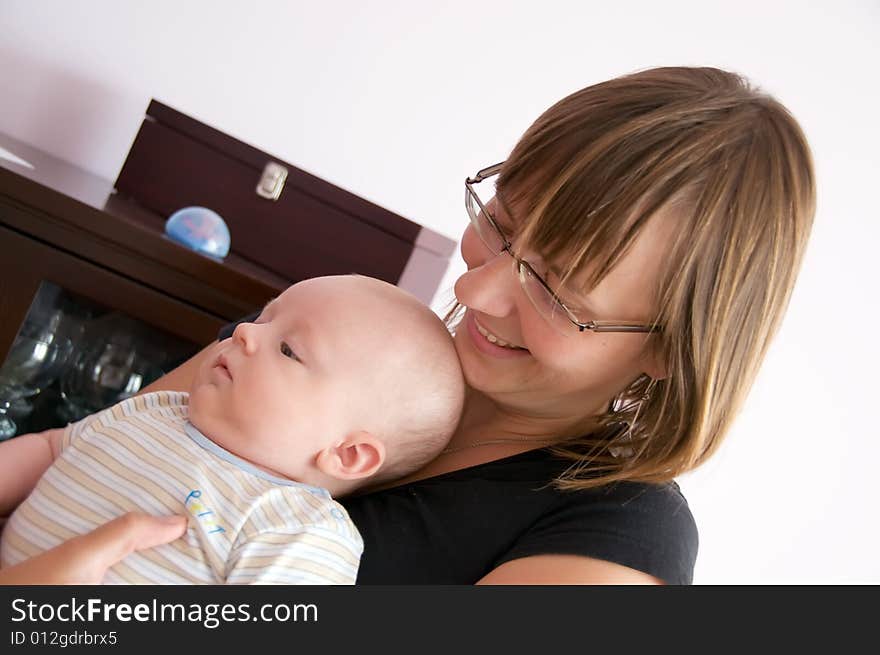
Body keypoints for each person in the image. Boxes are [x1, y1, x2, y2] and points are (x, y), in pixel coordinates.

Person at [1, 65, 815, 585]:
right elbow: (85, 462)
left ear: (672, 351)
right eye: (499, 223)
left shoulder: (615, 538)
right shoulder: (344, 340)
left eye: (558, 289)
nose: (480, 287)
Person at [0, 275, 465, 584]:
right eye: (262, 318)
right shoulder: (159, 409)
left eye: (288, 350)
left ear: (347, 454)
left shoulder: (296, 529)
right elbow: (48, 449)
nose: (245, 333)